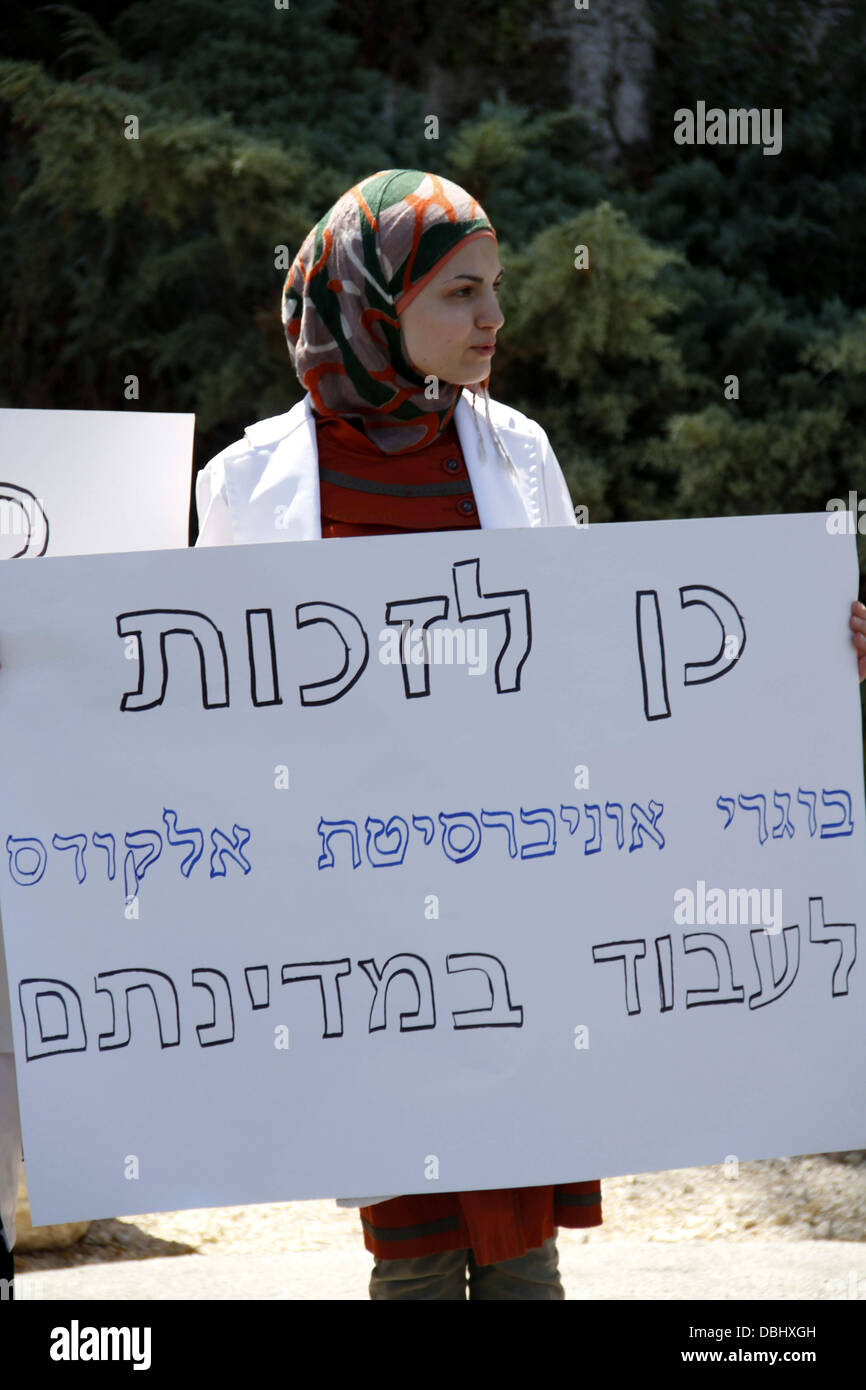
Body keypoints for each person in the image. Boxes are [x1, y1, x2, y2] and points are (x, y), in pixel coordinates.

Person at [193, 167, 866, 1299]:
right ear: (373, 299)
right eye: (460, 292)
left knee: (521, 1248)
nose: (493, 317)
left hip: (504, 898)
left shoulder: (515, 454)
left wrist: (796, 653)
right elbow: (190, 711)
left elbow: (593, 662)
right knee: (408, 1246)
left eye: (495, 289)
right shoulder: (249, 485)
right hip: (358, 923)